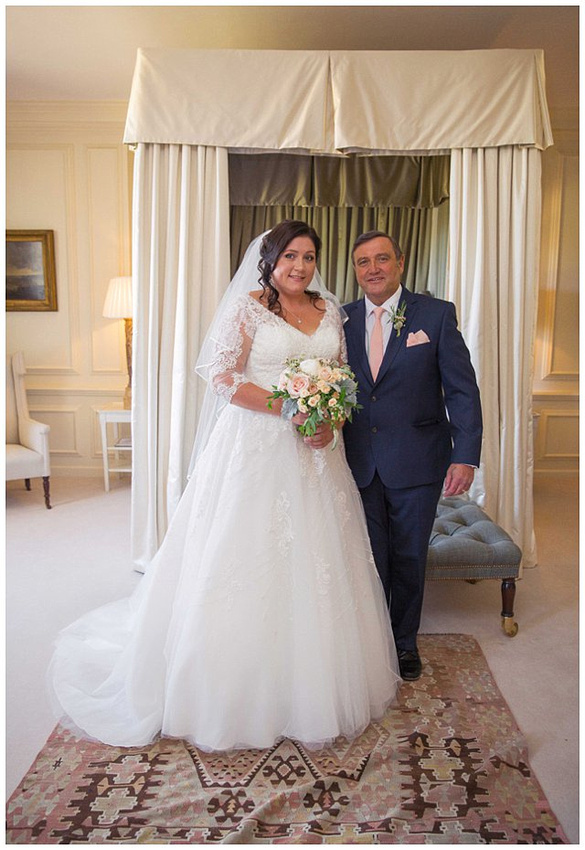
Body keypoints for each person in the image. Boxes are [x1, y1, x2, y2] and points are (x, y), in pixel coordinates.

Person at [48, 221, 400, 752]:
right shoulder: (248, 307)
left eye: (309, 257)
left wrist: (329, 418)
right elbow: (222, 376)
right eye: (290, 257)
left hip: (318, 457)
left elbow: (343, 379)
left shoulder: (331, 312)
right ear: (270, 260)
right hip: (256, 448)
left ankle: (311, 682)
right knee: (246, 560)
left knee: (320, 564)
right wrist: (289, 407)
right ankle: (231, 686)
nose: (300, 267)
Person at [342, 231, 482, 682]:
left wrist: (466, 455)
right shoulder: (337, 320)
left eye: (382, 258)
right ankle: (369, 640)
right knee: (367, 558)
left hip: (418, 461)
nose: (373, 268)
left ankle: (403, 645)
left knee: (407, 558)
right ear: (356, 270)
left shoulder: (435, 315)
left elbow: (461, 390)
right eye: (363, 262)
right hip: (355, 462)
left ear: (400, 262)